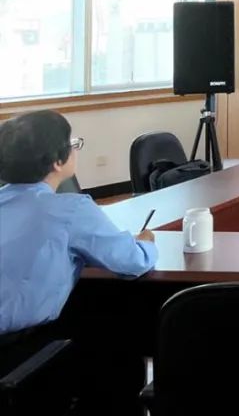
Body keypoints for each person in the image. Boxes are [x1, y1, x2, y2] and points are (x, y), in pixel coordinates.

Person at [0, 110, 157, 414]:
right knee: (118, 344)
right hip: (21, 355)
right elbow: (132, 262)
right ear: (57, 162)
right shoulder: (70, 210)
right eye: (72, 144)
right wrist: (146, 243)